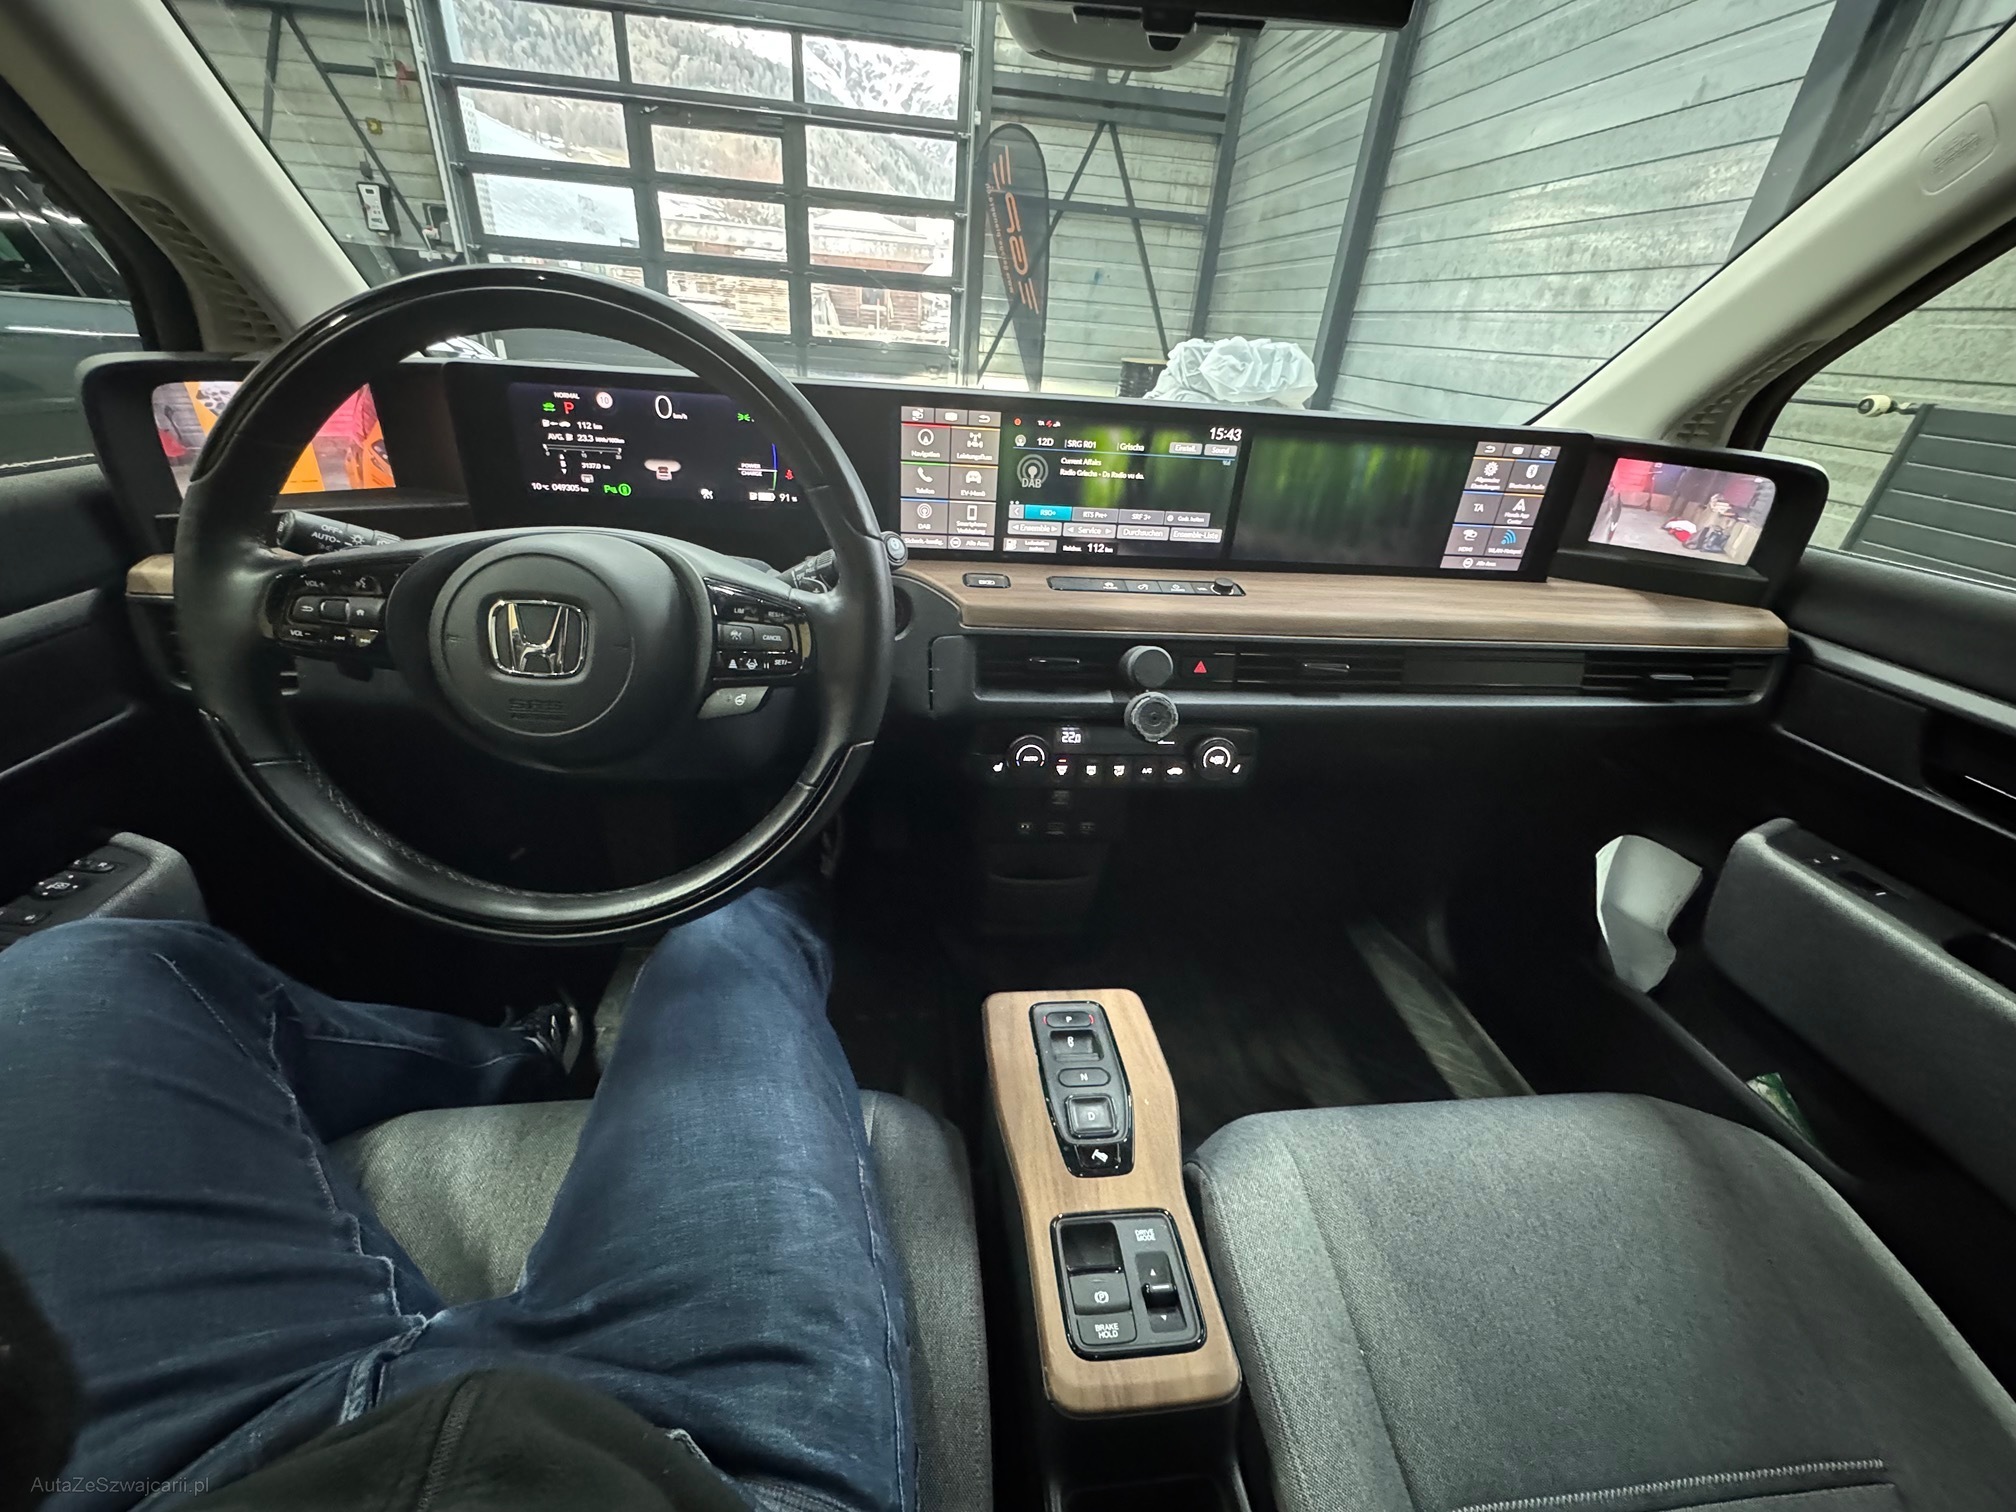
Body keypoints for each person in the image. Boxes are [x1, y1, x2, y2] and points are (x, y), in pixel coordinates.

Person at [0, 881, 910, 1512]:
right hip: (685, 1474)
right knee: (723, 937)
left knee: (81, 970)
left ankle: (525, 1062)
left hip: (177, 1477)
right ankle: (798, 868)